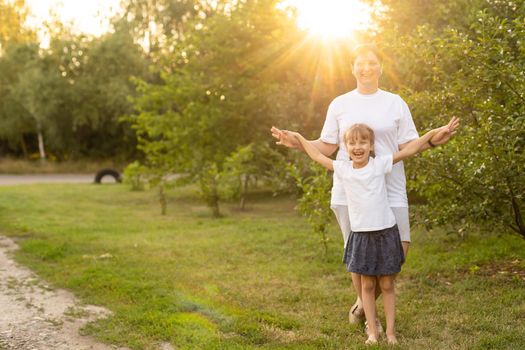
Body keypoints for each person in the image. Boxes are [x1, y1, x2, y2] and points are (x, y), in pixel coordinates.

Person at [270, 44, 459, 326]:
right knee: (359, 252)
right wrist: (298, 142)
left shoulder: (395, 102)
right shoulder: (340, 103)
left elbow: (408, 146)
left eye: (372, 62)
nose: (366, 68)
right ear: (352, 68)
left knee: (400, 248)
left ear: (381, 67)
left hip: (390, 184)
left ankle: (361, 303)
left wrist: (433, 140)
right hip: (351, 190)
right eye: (361, 63)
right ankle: (372, 319)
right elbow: (328, 146)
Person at [288, 122, 452, 344]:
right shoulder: (343, 169)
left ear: (371, 145)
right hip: (362, 237)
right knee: (366, 285)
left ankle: (391, 333)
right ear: (345, 147)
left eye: (363, 142)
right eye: (352, 143)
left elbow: (409, 150)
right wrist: (299, 136)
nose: (357, 147)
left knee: (386, 285)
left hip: (385, 233)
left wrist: (433, 133)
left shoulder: (379, 165)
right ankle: (373, 333)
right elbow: (317, 156)